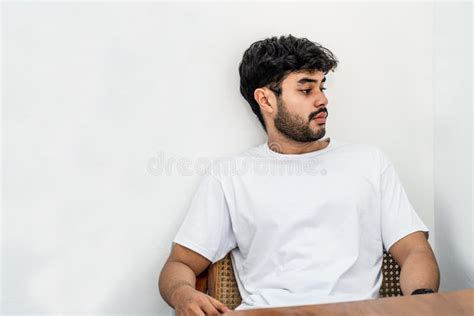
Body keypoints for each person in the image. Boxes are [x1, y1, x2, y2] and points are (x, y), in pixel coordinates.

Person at [158, 34, 440, 315]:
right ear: (266, 100)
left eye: (322, 87)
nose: (323, 99)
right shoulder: (230, 176)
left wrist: (421, 300)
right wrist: (183, 294)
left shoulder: (369, 162)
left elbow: (415, 250)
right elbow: (180, 263)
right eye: (306, 90)